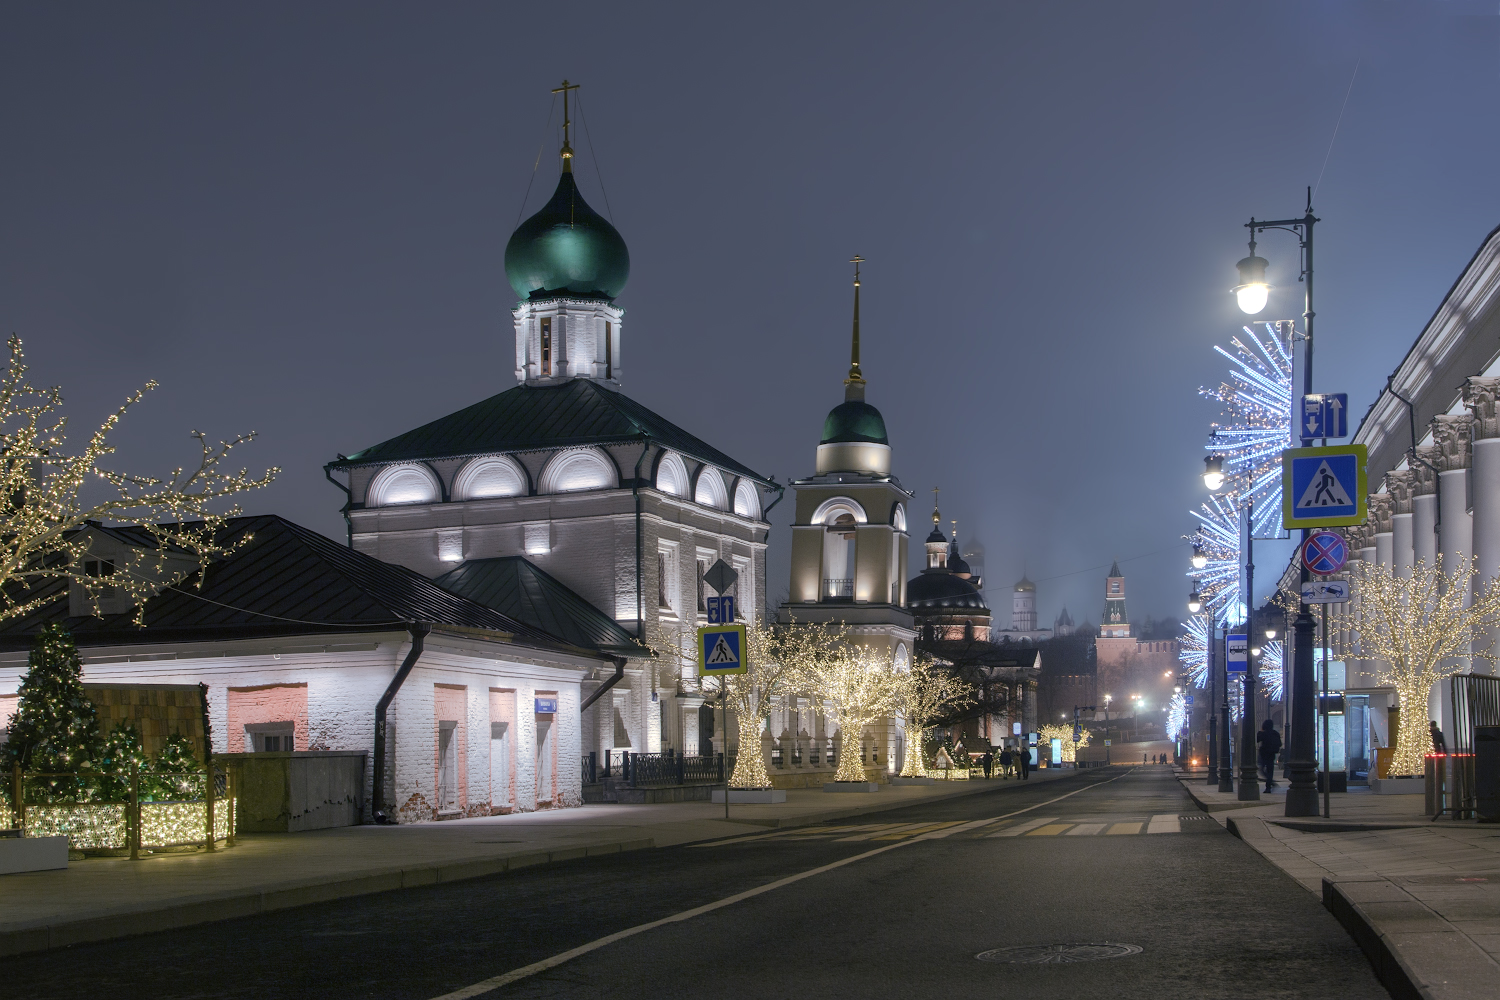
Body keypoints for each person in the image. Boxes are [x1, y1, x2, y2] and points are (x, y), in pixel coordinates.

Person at [1257, 719, 1282, 791]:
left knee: (1262, 769)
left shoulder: (1264, 733)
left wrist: (1260, 731)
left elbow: (1257, 739)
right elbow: (1279, 744)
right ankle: (1269, 786)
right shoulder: (1275, 733)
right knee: (1270, 770)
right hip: (1272, 754)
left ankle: (1270, 782)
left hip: (1264, 754)